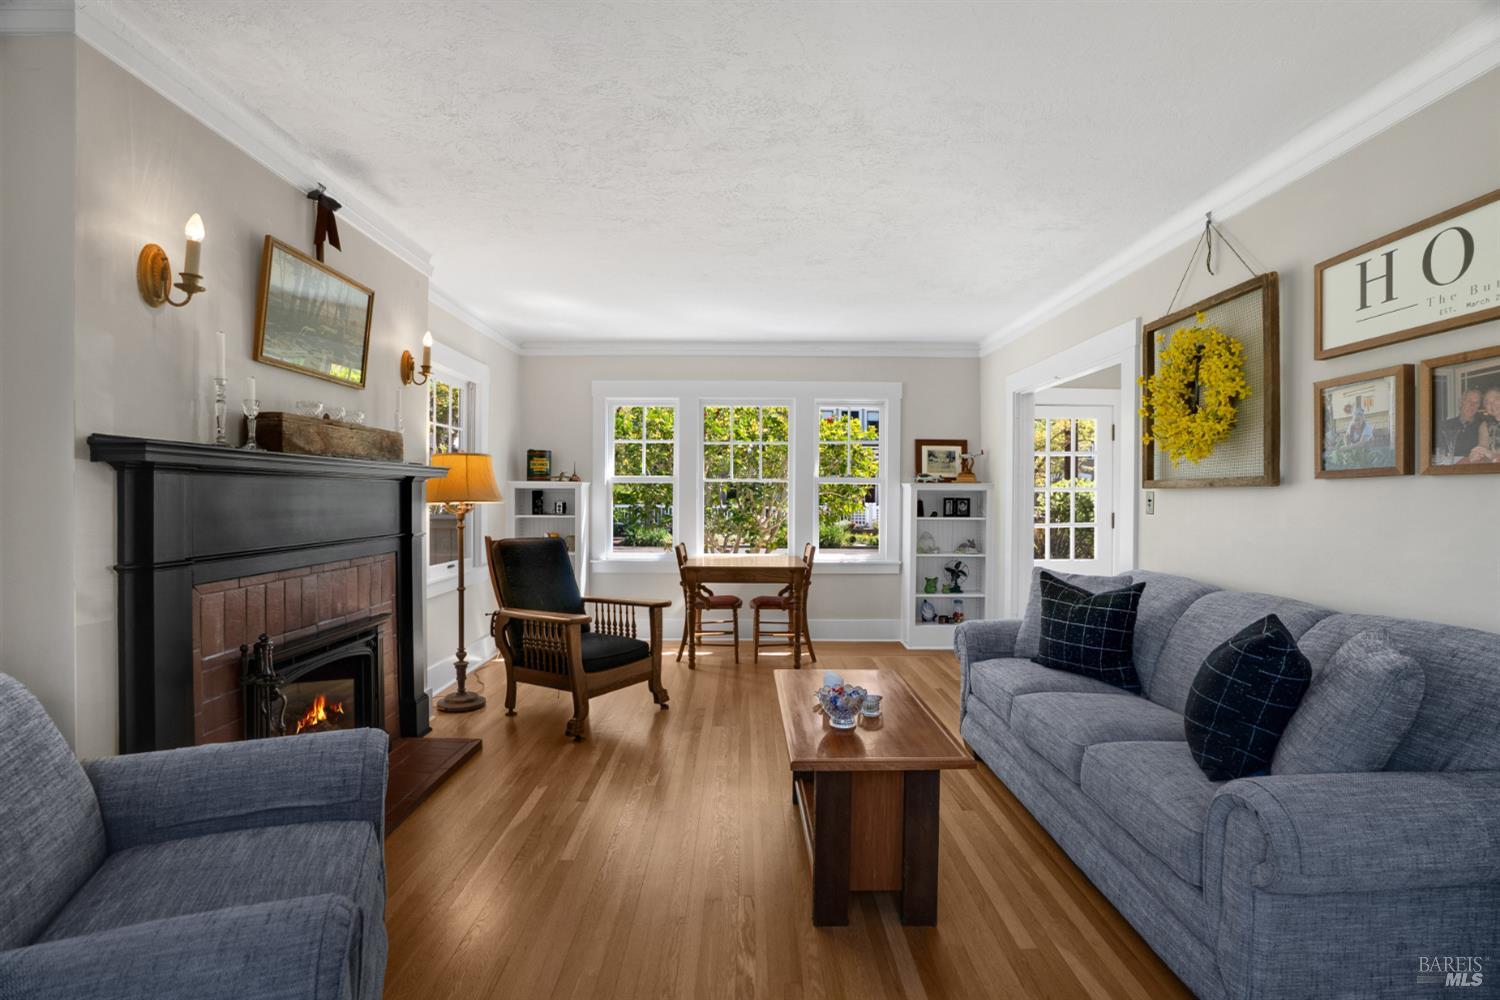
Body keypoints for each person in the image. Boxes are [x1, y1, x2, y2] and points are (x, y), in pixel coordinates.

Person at [1445, 389, 1484, 461]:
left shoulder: (1483, 426)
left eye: (1476, 402)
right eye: (1469, 401)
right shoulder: (1446, 425)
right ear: (1460, 403)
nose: (1472, 405)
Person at [1472, 387, 1500, 463]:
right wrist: (1477, 454)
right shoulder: (1485, 425)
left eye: (1496, 399)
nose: (1492, 404)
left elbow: (1490, 455)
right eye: (1487, 402)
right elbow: (1483, 447)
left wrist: (1492, 455)